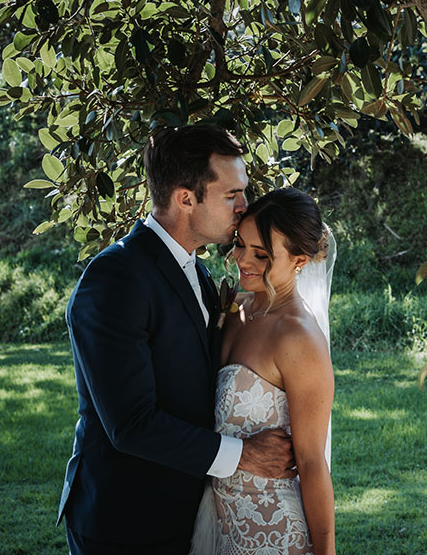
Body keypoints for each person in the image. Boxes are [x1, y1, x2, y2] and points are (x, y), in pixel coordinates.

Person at [58, 125, 297, 554]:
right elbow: (131, 425)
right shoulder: (115, 277)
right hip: (124, 521)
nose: (245, 206)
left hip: (183, 513)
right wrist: (242, 455)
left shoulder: (195, 270)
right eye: (232, 195)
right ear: (186, 198)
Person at [190, 187, 336, 555]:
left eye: (262, 255)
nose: (243, 260)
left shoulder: (299, 338)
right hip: (217, 525)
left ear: (300, 260)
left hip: (272, 532)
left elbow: (312, 462)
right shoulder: (234, 310)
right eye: (240, 244)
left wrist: (326, 551)